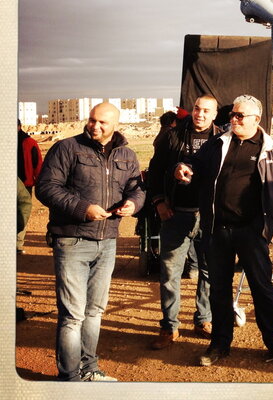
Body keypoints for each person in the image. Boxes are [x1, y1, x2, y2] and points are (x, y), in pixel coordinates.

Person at [175, 94, 273, 366]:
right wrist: (182, 169)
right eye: (233, 115)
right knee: (218, 289)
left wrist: (267, 226)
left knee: (262, 288)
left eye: (240, 116)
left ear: (256, 119)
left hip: (251, 233)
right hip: (218, 230)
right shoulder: (217, 144)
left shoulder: (270, 149)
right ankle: (219, 344)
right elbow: (194, 166)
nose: (234, 120)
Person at [35, 102, 144, 382]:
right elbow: (46, 187)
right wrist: (82, 207)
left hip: (107, 241)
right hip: (72, 240)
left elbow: (136, 187)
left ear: (115, 125)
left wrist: (133, 203)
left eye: (102, 122)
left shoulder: (127, 154)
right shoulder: (67, 148)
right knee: (73, 315)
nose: (95, 126)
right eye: (92, 120)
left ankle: (89, 369)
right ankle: (70, 378)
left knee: (94, 311)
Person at [147, 95, 219, 349]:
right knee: (169, 273)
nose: (200, 114)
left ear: (214, 115)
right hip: (176, 214)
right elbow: (154, 171)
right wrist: (159, 202)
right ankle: (169, 327)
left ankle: (204, 320)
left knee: (209, 272)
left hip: (208, 217)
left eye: (206, 111)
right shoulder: (172, 136)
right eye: (197, 109)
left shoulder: (221, 139)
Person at [17, 119, 44, 252]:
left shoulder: (30, 143)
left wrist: (40, 182)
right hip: (15, 183)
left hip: (25, 183)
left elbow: (37, 164)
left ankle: (17, 244)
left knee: (22, 213)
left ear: (19, 126)